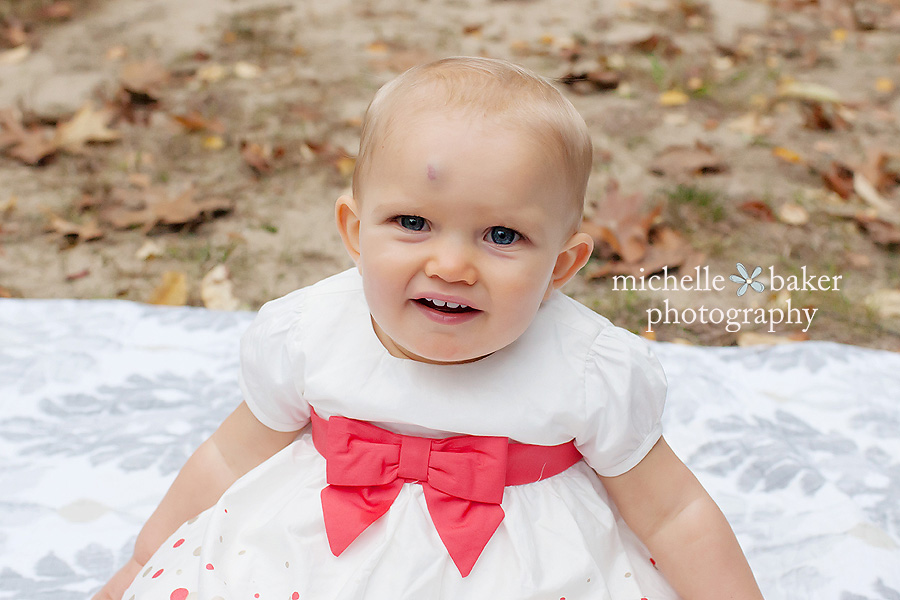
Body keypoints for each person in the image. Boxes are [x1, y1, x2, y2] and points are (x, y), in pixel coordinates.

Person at [95, 56, 764, 600]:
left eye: (502, 235)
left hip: (522, 570)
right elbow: (228, 457)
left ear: (562, 266)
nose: (451, 265)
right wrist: (141, 564)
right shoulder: (311, 333)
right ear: (355, 232)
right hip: (313, 558)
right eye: (412, 223)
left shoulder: (588, 369)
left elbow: (674, 512)